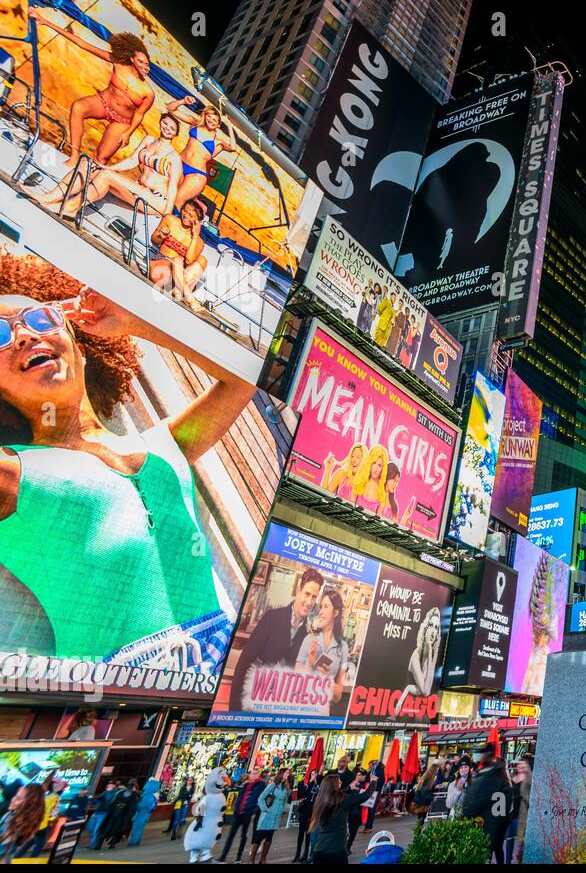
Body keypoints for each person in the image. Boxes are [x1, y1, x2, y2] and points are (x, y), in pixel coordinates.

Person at [0, 257, 257, 663]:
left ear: (80, 349)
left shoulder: (167, 447)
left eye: (42, 318)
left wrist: (138, 321)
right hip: (122, 703)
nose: (24, 336)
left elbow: (242, 377)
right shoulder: (13, 475)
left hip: (221, 674)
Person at [28, 10, 154, 164]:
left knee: (101, 158)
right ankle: (74, 157)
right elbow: (83, 44)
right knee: (78, 107)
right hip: (103, 103)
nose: (143, 65)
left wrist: (128, 133)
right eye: (140, 61)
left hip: (122, 121)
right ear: (132, 60)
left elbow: (139, 115)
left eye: (146, 63)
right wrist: (45, 21)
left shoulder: (148, 92)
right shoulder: (118, 63)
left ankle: (89, 182)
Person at [34, 113, 182, 220]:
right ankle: (50, 197)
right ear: (161, 121)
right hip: (138, 188)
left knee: (105, 176)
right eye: (165, 123)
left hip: (154, 199)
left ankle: (71, 207)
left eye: (172, 128)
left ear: (176, 133)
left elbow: (173, 187)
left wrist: (167, 216)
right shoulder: (149, 140)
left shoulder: (174, 157)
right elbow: (131, 161)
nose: (167, 128)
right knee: (88, 165)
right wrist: (108, 168)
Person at [229, 568, 326, 711]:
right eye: (307, 594)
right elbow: (244, 661)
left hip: (279, 707)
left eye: (314, 597)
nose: (309, 601)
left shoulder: (309, 634)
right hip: (253, 698)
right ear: (299, 589)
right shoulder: (272, 618)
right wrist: (234, 709)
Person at [164, 97, 239, 214]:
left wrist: (229, 126)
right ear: (205, 116)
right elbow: (170, 108)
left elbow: (233, 148)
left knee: (176, 200)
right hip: (179, 164)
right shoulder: (195, 124)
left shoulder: (218, 141)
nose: (211, 121)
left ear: (219, 125)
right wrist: (183, 101)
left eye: (215, 120)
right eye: (209, 117)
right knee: (164, 192)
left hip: (196, 174)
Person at [295, 586, 351, 714]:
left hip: (322, 713)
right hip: (300, 710)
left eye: (326, 607)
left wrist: (326, 678)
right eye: (321, 607)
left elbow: (338, 696)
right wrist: (309, 663)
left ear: (335, 613)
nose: (320, 611)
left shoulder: (343, 647)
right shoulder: (309, 639)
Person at [462, 744, 511, 863]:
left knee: (486, 854)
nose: (478, 756)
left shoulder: (491, 776)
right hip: (493, 824)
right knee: (496, 851)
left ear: (488, 755)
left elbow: (477, 802)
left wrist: (465, 815)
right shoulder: (495, 774)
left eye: (481, 753)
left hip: (487, 825)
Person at [308, 774, 368, 864]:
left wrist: (348, 788)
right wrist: (374, 781)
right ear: (334, 786)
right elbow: (365, 796)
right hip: (336, 853)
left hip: (319, 852)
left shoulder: (321, 800)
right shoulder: (342, 801)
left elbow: (314, 835)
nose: (341, 782)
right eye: (338, 782)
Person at [218, 768, 266, 863]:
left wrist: (251, 809)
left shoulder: (260, 784)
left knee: (243, 836)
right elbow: (239, 796)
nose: (254, 775)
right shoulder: (246, 784)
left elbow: (259, 794)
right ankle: (223, 857)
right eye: (252, 773)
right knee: (231, 835)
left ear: (258, 775)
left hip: (247, 814)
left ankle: (238, 858)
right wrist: (235, 809)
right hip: (238, 813)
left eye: (256, 774)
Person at [249, 769, 291, 864]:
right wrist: (264, 809)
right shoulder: (273, 784)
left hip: (276, 816)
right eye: (287, 772)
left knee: (269, 838)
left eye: (288, 773)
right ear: (281, 774)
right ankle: (251, 859)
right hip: (268, 815)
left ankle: (263, 859)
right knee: (259, 837)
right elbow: (261, 798)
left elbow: (286, 800)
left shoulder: (286, 786)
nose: (288, 774)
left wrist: (282, 810)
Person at [0, 784, 45, 862]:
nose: (13, 799)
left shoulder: (13, 822)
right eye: (15, 796)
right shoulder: (13, 816)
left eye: (18, 798)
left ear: (28, 805)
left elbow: (2, 848)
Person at [96, 778, 139, 850]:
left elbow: (112, 803)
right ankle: (112, 844)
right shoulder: (133, 795)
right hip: (122, 816)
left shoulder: (120, 792)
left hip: (113, 814)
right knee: (118, 830)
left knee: (107, 829)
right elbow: (133, 808)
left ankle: (99, 844)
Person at [508, 755, 533, 863]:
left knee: (521, 840)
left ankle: (521, 860)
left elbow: (530, 798)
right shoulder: (512, 777)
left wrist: (524, 782)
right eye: (520, 766)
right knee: (509, 839)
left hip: (522, 814)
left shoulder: (530, 779)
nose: (521, 768)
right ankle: (507, 860)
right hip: (510, 813)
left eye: (524, 767)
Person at [292, 771, 320, 863]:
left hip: (312, 814)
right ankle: (297, 854)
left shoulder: (319, 786)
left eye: (315, 774)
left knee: (308, 835)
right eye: (312, 774)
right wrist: (306, 782)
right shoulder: (306, 785)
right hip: (304, 812)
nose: (314, 776)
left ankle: (305, 854)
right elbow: (301, 795)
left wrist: (316, 782)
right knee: (300, 834)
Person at [128, 778, 160, 846]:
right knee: (140, 828)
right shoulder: (153, 795)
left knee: (136, 828)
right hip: (145, 815)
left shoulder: (148, 795)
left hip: (141, 814)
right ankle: (136, 841)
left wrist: (136, 804)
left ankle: (133, 842)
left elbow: (141, 805)